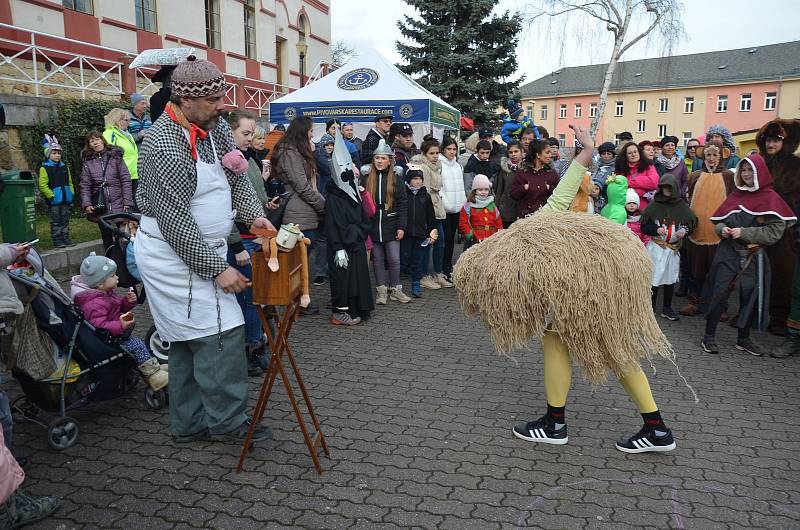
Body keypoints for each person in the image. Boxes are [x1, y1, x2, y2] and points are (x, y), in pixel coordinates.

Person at [456, 124, 682, 453]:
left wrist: (588, 151)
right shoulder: (538, 224)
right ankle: (556, 422)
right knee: (556, 336)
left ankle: (656, 428)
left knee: (615, 349)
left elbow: (520, 301)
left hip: (600, 283)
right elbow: (567, 187)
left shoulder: (521, 245)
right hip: (597, 280)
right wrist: (587, 149)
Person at [135, 56, 274, 443]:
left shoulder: (214, 127)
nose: (221, 104)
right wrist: (217, 269)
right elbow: (175, 222)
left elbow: (238, 177)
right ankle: (228, 423)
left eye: (221, 95)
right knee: (223, 332)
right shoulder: (163, 144)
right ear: (184, 99)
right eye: (212, 99)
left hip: (199, 246)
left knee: (185, 342)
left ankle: (189, 423)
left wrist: (253, 217)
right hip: (172, 254)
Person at [700, 155, 796, 356]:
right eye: (743, 171)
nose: (745, 175)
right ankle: (708, 336)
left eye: (750, 171)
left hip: (754, 255)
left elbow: (774, 233)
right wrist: (722, 230)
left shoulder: (771, 198)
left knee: (749, 296)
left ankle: (743, 338)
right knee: (719, 292)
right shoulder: (736, 195)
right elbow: (719, 222)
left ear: (759, 172)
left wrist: (745, 233)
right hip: (728, 252)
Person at [225, 110, 277, 376]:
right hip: (241, 242)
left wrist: (264, 206)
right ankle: (248, 351)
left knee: (257, 298)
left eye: (252, 134)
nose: (251, 138)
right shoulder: (227, 163)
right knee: (247, 299)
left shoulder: (250, 161)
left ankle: (258, 346)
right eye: (246, 134)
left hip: (255, 238)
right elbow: (224, 209)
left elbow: (251, 196)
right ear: (229, 131)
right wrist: (235, 245)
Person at [71, 253, 168, 389]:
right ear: (99, 283)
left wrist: (127, 302)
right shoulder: (93, 304)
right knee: (137, 344)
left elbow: (117, 307)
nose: (117, 278)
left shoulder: (104, 294)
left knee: (135, 344)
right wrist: (119, 325)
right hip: (104, 342)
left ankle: (152, 367)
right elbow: (99, 326)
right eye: (112, 276)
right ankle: (153, 375)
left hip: (112, 337)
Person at [272, 116, 326, 314]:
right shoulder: (290, 153)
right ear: (303, 131)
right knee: (297, 263)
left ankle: (299, 301)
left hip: (304, 212)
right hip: (298, 214)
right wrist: (323, 206)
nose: (313, 134)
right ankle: (297, 303)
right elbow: (303, 187)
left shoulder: (297, 151)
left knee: (300, 262)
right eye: (311, 130)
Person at [758, 120, 800, 353]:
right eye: (768, 140)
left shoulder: (796, 166)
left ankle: (781, 319)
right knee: (756, 272)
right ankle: (754, 314)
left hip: (788, 230)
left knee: (785, 275)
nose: (771, 144)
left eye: (776, 140)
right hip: (760, 225)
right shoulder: (760, 163)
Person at [679, 144, 734, 317]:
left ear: (722, 156)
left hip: (719, 235)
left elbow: (733, 202)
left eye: (714, 155)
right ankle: (695, 302)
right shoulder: (695, 176)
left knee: (719, 273)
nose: (711, 158)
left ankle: (720, 307)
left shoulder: (729, 177)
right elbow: (687, 199)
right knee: (697, 271)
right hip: (697, 232)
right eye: (708, 154)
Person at [325, 132, 373, 325]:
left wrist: (361, 233)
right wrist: (337, 248)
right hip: (342, 245)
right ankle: (340, 313)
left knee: (358, 276)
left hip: (356, 240)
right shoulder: (333, 197)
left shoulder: (354, 190)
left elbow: (363, 215)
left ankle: (359, 307)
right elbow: (332, 224)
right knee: (342, 279)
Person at [640, 174, 698, 321]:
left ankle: (667, 307)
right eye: (664, 187)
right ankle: (649, 307)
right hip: (657, 248)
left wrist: (684, 231)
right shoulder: (654, 205)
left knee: (670, 278)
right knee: (653, 277)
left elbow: (691, 222)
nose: (666, 190)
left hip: (672, 249)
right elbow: (645, 226)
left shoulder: (681, 206)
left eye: (669, 187)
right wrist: (655, 229)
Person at [362, 139, 409, 304]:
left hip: (391, 224)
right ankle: (381, 290)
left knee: (394, 259)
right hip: (373, 226)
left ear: (390, 160)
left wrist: (401, 227)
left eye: (383, 158)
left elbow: (403, 205)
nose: (380, 161)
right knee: (378, 259)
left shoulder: (396, 180)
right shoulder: (367, 179)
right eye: (377, 158)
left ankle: (396, 288)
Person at [80, 131, 133, 250]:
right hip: (101, 204)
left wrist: (127, 202)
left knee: (123, 236)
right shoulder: (88, 163)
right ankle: (111, 262)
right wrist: (87, 203)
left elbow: (125, 180)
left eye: (97, 139)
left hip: (118, 201)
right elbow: (85, 185)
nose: (95, 142)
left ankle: (125, 261)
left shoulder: (115, 157)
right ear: (89, 145)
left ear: (102, 140)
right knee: (106, 237)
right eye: (91, 141)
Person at [410, 137, 450, 289]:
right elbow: (423, 192)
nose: (435, 156)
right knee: (428, 243)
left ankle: (437, 273)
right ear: (425, 154)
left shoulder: (436, 166)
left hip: (437, 207)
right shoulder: (424, 168)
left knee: (440, 242)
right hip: (429, 210)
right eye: (432, 153)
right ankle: (423, 275)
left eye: (437, 153)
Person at [403, 164, 437, 298]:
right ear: (409, 180)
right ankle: (396, 285)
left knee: (418, 260)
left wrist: (432, 234)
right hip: (406, 234)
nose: (418, 181)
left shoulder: (425, 196)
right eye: (415, 179)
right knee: (404, 258)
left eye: (420, 179)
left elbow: (431, 217)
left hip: (420, 234)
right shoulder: (404, 194)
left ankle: (416, 284)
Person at [38, 136, 74, 248]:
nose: (57, 155)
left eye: (59, 153)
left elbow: (70, 181)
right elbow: (43, 185)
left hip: (66, 199)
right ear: (48, 155)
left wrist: (71, 192)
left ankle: (66, 238)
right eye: (54, 153)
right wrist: (51, 196)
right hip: (54, 200)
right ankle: (57, 239)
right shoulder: (45, 168)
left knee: (65, 219)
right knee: (56, 221)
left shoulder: (64, 167)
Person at [439, 136, 467, 279]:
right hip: (445, 208)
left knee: (451, 241)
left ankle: (448, 267)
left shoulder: (458, 165)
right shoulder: (439, 165)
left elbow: (461, 186)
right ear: (443, 150)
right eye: (449, 149)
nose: (451, 152)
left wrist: (462, 203)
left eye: (454, 149)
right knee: (446, 240)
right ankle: (442, 269)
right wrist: (443, 201)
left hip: (457, 208)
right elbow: (438, 187)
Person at [510, 139, 559, 218]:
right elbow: (513, 195)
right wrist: (524, 188)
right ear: (538, 155)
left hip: (546, 218)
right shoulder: (523, 173)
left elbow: (559, 195)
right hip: (525, 218)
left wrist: (549, 188)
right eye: (547, 152)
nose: (550, 155)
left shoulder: (552, 173)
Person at [103, 108, 140, 197]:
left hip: (134, 174)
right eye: (126, 120)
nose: (129, 123)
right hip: (121, 177)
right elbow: (109, 156)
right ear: (117, 120)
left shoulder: (128, 134)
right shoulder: (109, 134)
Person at [459, 174, 503, 247]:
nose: (483, 192)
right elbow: (463, 223)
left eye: (486, 190)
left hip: (491, 240)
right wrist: (471, 236)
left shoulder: (492, 205)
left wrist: (499, 233)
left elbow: (498, 221)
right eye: (480, 190)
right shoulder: (468, 205)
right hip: (474, 241)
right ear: (475, 190)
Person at [615, 141, 659, 211]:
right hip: (626, 208)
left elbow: (654, 182)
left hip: (645, 207)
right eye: (630, 153)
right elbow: (620, 188)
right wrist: (642, 190)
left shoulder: (648, 165)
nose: (633, 155)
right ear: (625, 156)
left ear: (639, 153)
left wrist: (629, 182)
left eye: (635, 152)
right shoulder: (621, 169)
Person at [495, 140, 523, 228]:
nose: (513, 154)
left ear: (521, 151)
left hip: (521, 209)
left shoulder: (526, 168)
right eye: (510, 152)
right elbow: (499, 190)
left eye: (516, 151)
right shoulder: (504, 169)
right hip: (506, 210)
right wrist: (497, 208)